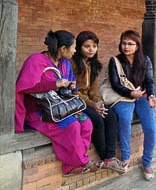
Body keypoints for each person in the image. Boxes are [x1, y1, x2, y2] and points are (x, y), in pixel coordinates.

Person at [15, 30, 98, 176]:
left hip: (61, 109)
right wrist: (56, 83)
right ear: (63, 49)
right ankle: (82, 162)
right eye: (73, 47)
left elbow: (71, 86)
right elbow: (25, 87)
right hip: (39, 112)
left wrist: (72, 86)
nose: (75, 50)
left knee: (86, 123)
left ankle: (70, 166)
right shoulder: (35, 60)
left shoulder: (64, 63)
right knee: (72, 126)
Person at [109, 30, 156, 181]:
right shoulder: (115, 61)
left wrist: (151, 96)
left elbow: (149, 81)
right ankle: (125, 158)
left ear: (137, 46)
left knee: (150, 128)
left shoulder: (145, 60)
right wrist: (131, 93)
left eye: (130, 44)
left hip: (141, 97)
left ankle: (147, 162)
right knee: (125, 119)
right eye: (124, 43)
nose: (126, 47)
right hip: (123, 97)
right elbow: (115, 84)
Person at [70, 31, 123, 172]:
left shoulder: (92, 64)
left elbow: (94, 90)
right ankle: (105, 157)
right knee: (97, 120)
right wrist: (93, 105)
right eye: (87, 46)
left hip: (89, 101)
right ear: (79, 47)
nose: (91, 49)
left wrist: (99, 103)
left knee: (110, 115)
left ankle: (110, 157)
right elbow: (74, 91)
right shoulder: (72, 63)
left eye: (94, 46)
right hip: (75, 101)